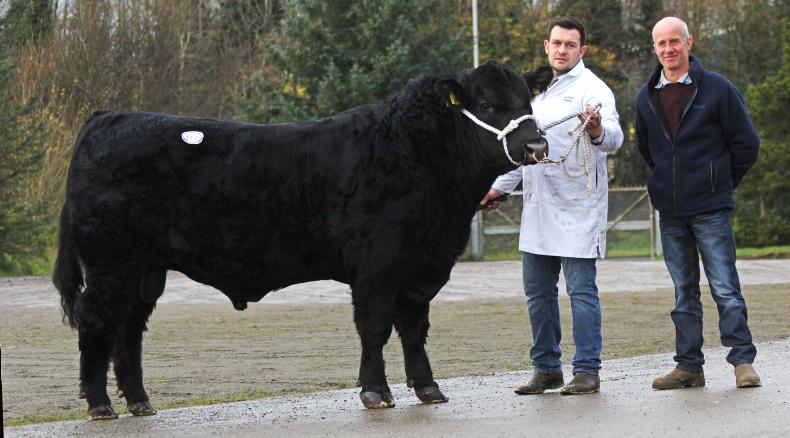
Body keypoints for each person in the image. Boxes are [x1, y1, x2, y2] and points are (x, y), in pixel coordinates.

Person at [480, 17, 623, 395]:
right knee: (538, 294)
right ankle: (546, 369)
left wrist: (595, 130)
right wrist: (498, 188)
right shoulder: (535, 92)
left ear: (582, 50)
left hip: (579, 207)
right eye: (557, 43)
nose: (562, 50)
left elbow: (615, 138)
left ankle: (587, 370)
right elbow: (524, 150)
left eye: (570, 45)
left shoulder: (593, 90)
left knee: (581, 292)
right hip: (538, 210)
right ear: (547, 46)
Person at [635, 17, 761, 390]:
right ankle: (689, 366)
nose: (669, 49)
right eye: (662, 43)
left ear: (689, 43)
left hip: (711, 208)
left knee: (725, 287)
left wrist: (719, 183)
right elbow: (647, 149)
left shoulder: (718, 88)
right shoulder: (646, 96)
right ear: (655, 49)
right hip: (671, 212)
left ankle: (742, 362)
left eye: (675, 41)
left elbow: (746, 145)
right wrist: (664, 185)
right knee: (683, 293)